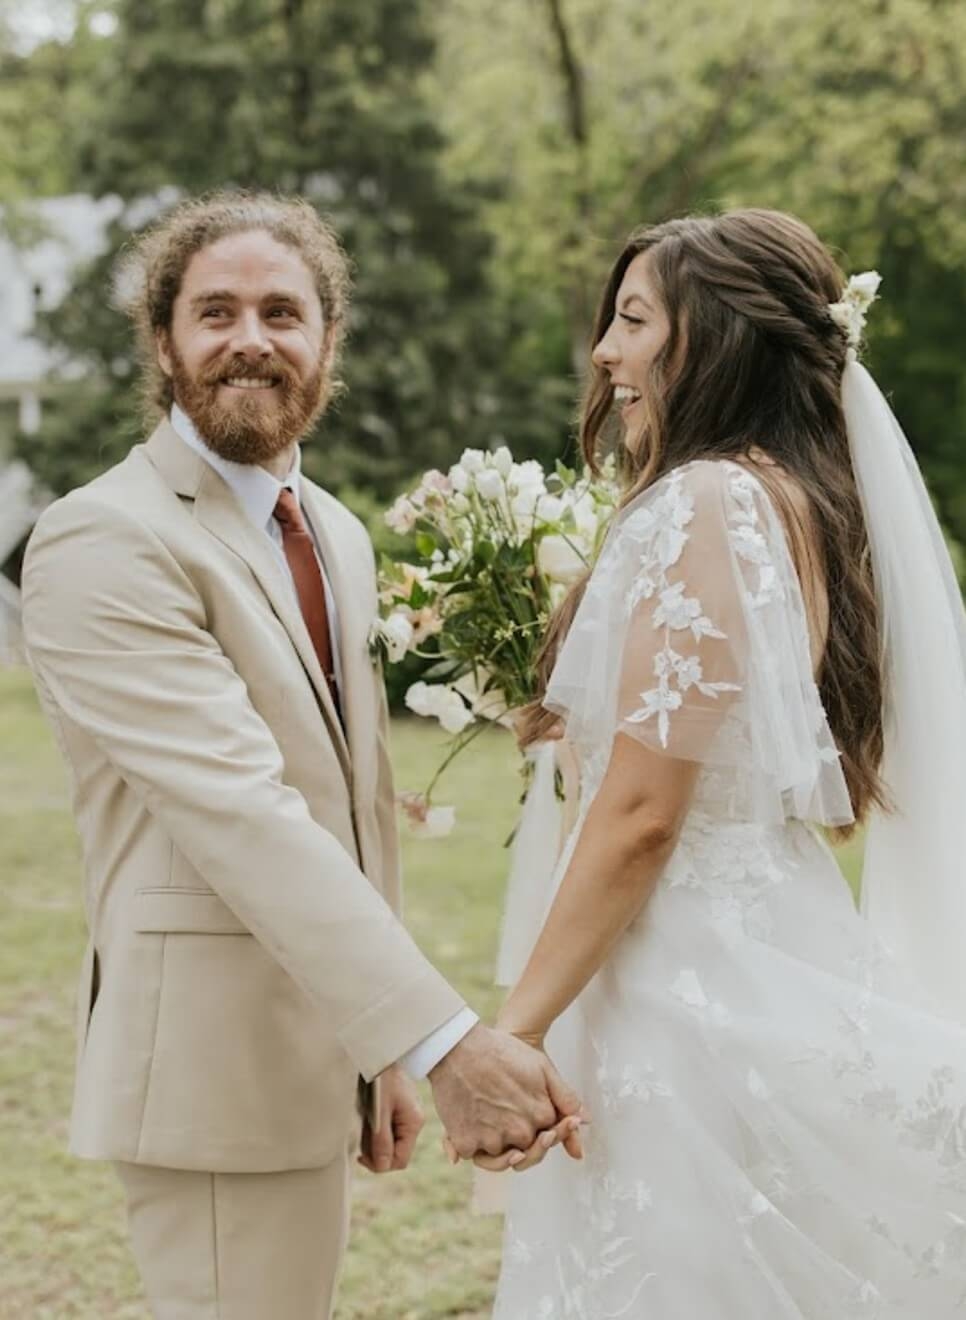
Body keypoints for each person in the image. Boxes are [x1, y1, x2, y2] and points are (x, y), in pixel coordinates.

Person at [19, 191, 583, 1320]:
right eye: (214, 311)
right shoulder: (104, 537)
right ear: (165, 341)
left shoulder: (333, 528)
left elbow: (353, 810)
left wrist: (369, 1055)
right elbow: (242, 811)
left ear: (327, 342)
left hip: (316, 1042)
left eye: (283, 312)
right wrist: (439, 1042)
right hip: (209, 1064)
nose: (249, 339)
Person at [478, 209, 966, 1316]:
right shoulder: (795, 502)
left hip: (683, 989)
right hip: (765, 943)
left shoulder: (704, 504)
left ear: (723, 339)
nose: (606, 351)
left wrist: (514, 1032)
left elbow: (645, 811)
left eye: (635, 320)